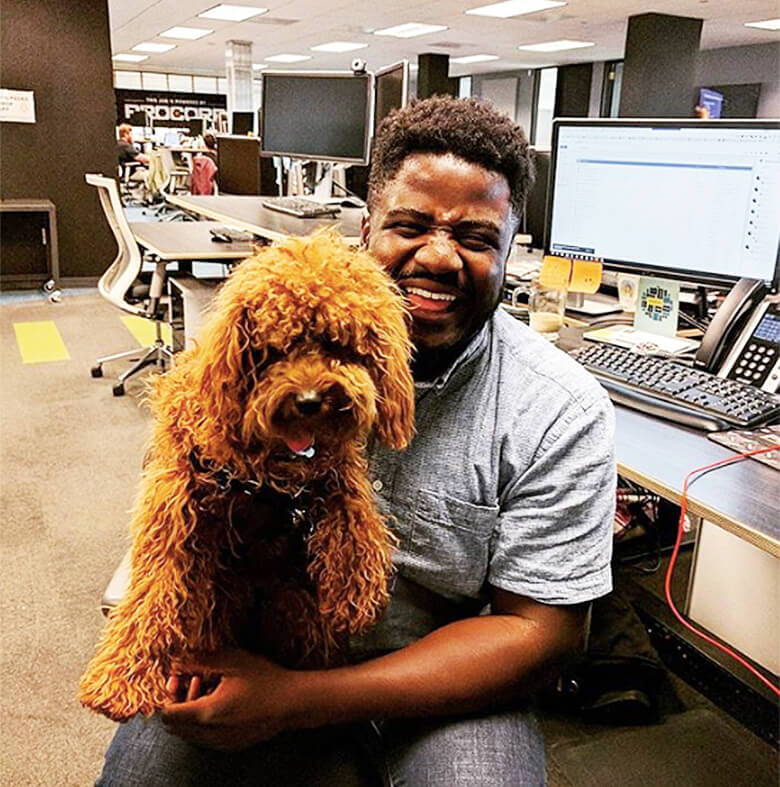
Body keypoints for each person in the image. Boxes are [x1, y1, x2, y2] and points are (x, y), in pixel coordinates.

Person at [96, 96, 615, 786]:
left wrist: (296, 703)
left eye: (477, 237)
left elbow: (542, 633)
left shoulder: (559, 408)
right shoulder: (250, 363)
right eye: (410, 226)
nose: (439, 256)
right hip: (254, 641)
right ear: (365, 228)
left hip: (437, 677)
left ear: (512, 249)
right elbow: (178, 508)